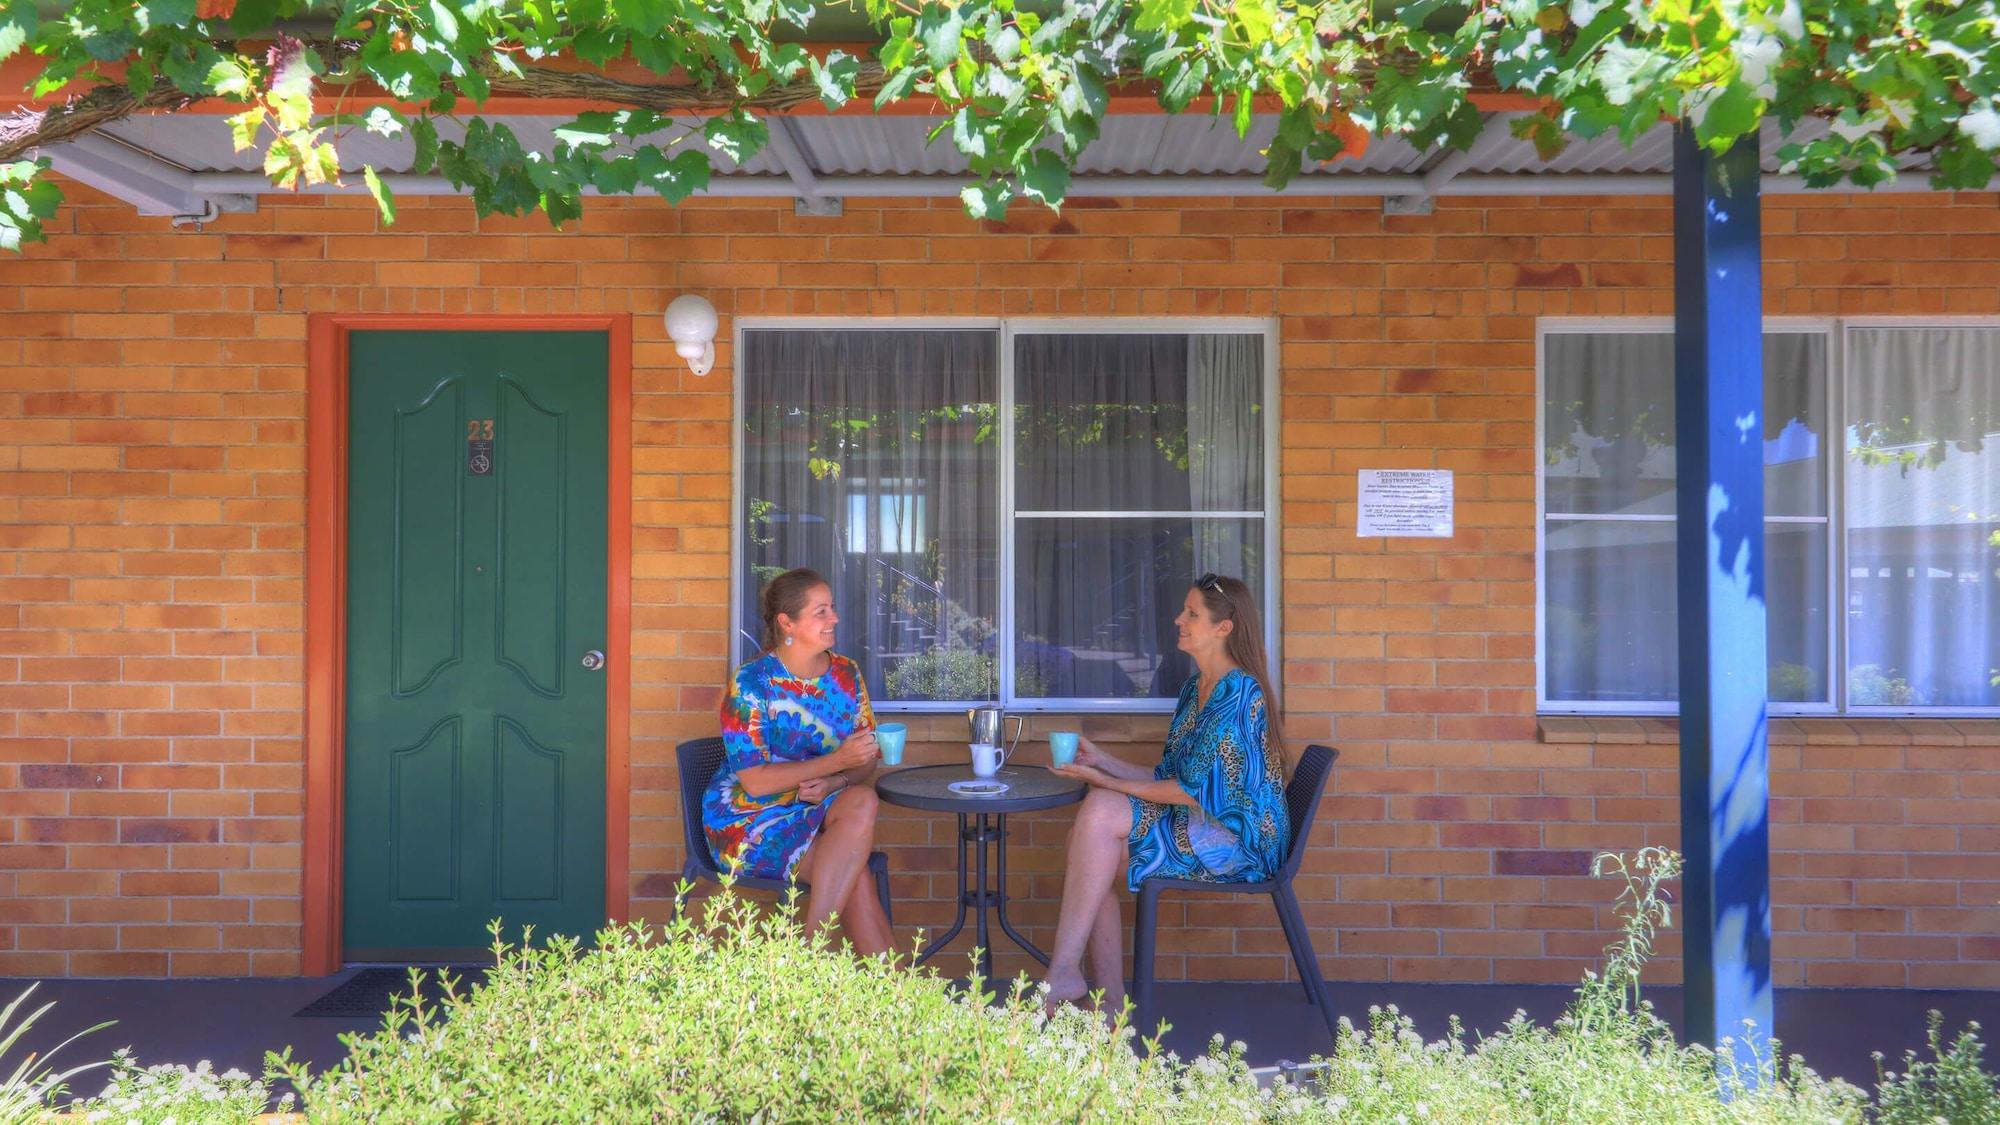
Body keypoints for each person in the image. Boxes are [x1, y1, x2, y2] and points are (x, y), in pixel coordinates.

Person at [1041, 573, 1290, 1013]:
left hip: (1238, 842)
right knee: (1092, 850)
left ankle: (1070, 978)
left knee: (1098, 818)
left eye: (1192, 613)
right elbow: (1169, 775)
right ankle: (1103, 1001)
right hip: (1200, 823)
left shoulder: (1239, 693)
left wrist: (1109, 784)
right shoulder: (1196, 689)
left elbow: (1192, 793)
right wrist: (1100, 761)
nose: (1179, 619)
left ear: (1223, 628)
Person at [703, 568, 891, 956]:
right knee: (852, 877)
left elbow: (864, 760)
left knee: (862, 799)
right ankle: (894, 994)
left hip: (819, 807)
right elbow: (754, 781)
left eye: (832, 609)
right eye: (821, 611)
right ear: (787, 622)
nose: (834, 618)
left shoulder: (846, 674)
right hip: (751, 818)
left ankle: (806, 958)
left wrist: (837, 780)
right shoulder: (752, 682)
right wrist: (833, 763)